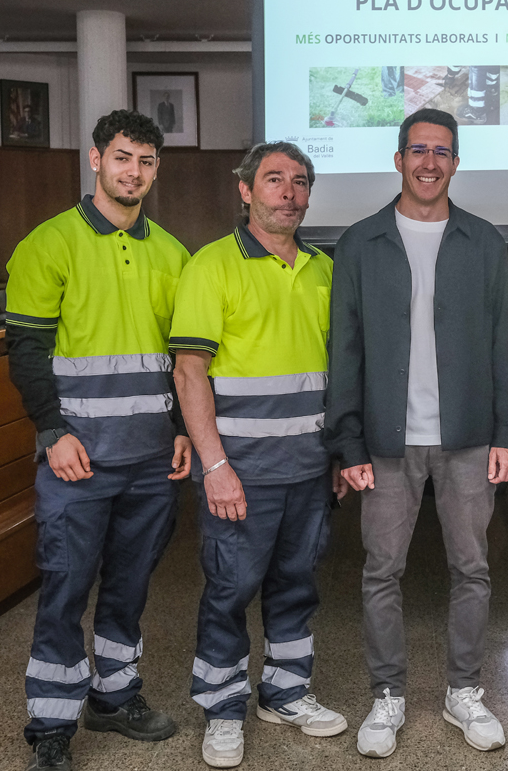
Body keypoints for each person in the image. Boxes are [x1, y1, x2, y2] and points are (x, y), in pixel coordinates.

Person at [325, 108, 508, 758]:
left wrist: (507, 432)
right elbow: (344, 351)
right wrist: (347, 442)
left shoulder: (486, 242)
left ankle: (463, 691)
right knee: (382, 571)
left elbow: (502, 343)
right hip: (386, 439)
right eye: (418, 150)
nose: (429, 162)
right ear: (398, 159)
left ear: (456, 162)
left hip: (467, 435)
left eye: (442, 151)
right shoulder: (360, 243)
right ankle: (387, 696)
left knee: (473, 568)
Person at [4, 109, 192, 771]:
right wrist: (51, 433)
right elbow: (26, 348)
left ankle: (114, 699)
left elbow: (180, 359)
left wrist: (179, 432)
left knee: (129, 589)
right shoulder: (48, 243)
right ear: (95, 160)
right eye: (121, 158)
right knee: (64, 588)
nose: (132, 171)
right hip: (75, 458)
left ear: (155, 170)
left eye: (144, 161)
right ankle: (51, 726)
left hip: (149, 461)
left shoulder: (172, 254)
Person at [170, 142, 348, 768]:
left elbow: (336, 376)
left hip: (309, 469)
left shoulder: (326, 268)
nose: (289, 193)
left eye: (300, 182)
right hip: (240, 470)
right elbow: (190, 374)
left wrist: (336, 456)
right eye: (274, 180)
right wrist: (214, 467)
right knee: (230, 589)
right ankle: (222, 709)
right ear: (245, 190)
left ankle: (285, 692)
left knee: (296, 586)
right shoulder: (211, 265)